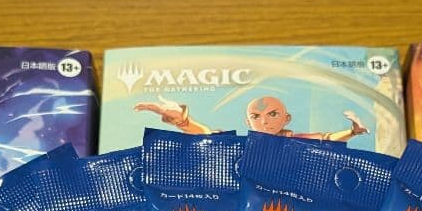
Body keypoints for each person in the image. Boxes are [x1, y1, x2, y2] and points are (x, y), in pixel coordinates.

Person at [136, 94, 368, 142]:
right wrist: (181, 120)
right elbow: (208, 135)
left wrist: (353, 131)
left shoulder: (295, 141)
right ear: (248, 122)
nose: (264, 122)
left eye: (272, 114)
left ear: (286, 118)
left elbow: (325, 139)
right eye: (256, 117)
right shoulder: (245, 145)